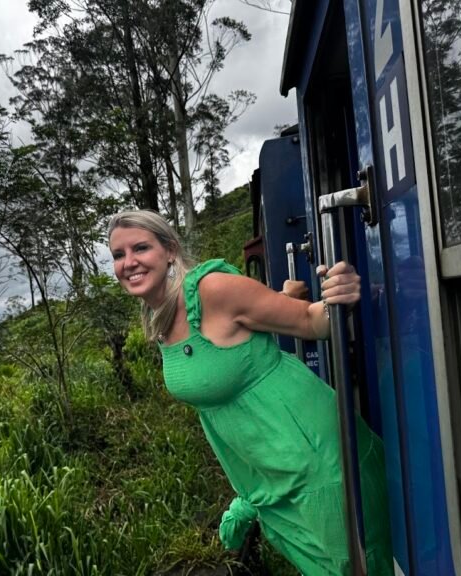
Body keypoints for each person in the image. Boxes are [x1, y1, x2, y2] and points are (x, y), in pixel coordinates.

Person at [108, 209, 393, 575]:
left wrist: (340, 297)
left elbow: (309, 320)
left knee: (360, 566)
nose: (129, 262)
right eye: (118, 254)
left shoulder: (211, 290)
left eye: (141, 248)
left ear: (170, 250)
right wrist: (247, 498)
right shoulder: (159, 315)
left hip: (316, 465)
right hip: (271, 480)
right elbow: (232, 353)